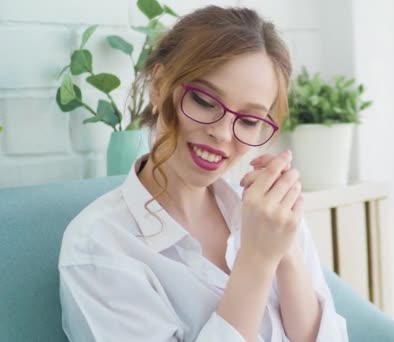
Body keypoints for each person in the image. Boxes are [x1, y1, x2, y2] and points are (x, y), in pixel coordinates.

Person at [58, 6, 348, 342]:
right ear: (159, 86)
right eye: (204, 101)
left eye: (250, 121)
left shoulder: (265, 213)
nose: (223, 134)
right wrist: (256, 259)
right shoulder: (100, 246)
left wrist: (285, 251)